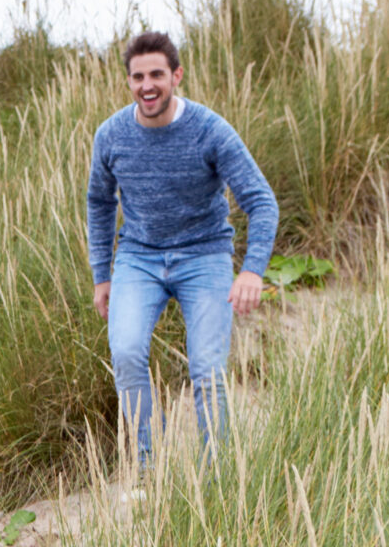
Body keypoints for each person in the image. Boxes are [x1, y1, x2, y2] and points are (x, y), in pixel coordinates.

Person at [87, 29, 279, 472]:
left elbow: (261, 200)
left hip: (204, 254)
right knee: (128, 352)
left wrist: (251, 271)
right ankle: (147, 466)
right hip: (139, 257)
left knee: (207, 369)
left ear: (176, 76)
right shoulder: (112, 135)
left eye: (157, 74)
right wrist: (102, 274)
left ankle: (216, 475)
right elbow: (99, 202)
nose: (147, 85)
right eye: (138, 77)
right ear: (129, 82)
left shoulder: (210, 130)